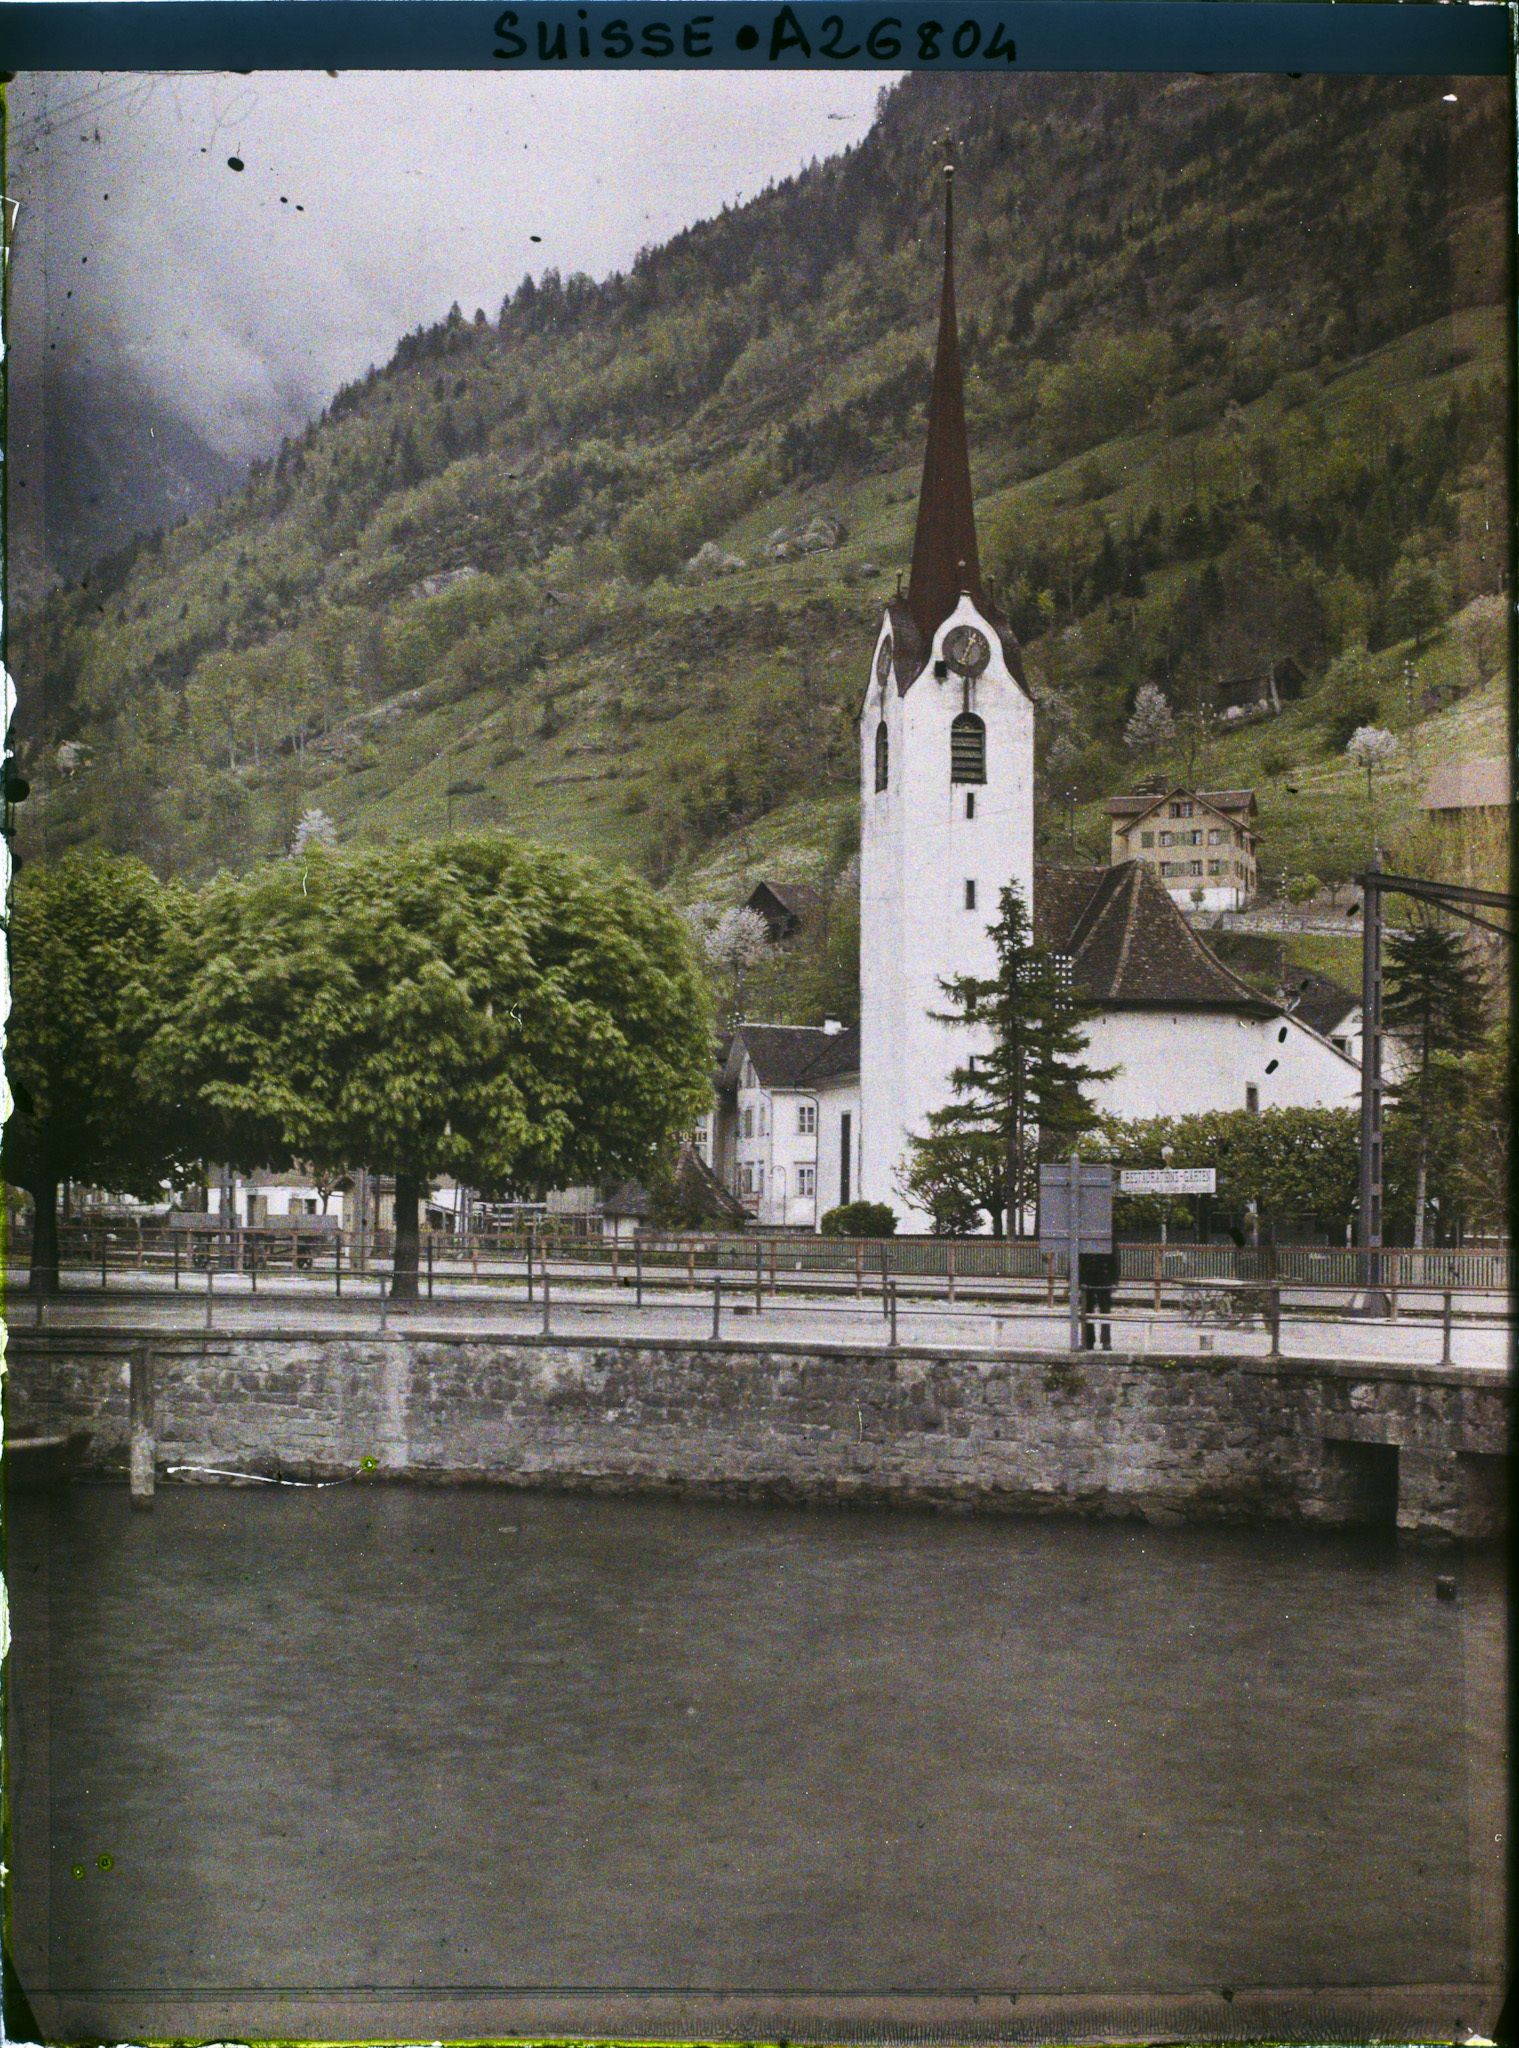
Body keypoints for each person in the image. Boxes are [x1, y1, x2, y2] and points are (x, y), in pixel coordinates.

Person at [1079, 1248, 1118, 1351]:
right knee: (1087, 1309)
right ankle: (1088, 1341)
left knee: (1104, 1310)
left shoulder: (1108, 1235)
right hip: (1088, 1276)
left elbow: (1114, 1258)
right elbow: (1077, 1257)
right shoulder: (1082, 1234)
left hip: (1103, 1276)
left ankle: (1105, 1341)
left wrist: (1114, 1280)